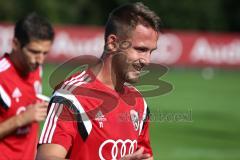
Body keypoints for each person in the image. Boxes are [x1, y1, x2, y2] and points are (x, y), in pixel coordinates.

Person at [37, 2, 160, 160]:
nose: (147, 61)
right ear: (112, 43)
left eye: (151, 52)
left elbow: (145, 156)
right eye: (140, 50)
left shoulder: (138, 102)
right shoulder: (72, 96)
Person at [0, 13, 54, 159]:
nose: (40, 60)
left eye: (45, 53)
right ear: (16, 44)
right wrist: (22, 118)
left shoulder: (37, 69)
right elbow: (26, 117)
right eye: (34, 52)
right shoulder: (1, 77)